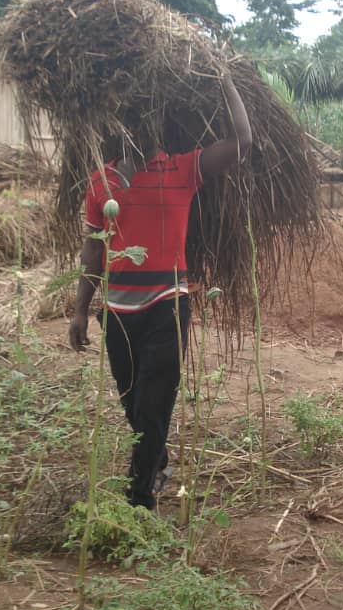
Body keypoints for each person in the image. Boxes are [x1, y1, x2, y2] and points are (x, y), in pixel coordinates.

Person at [68, 72, 251, 510]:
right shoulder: (101, 181)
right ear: (120, 125)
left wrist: (224, 78)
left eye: (148, 118)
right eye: (132, 118)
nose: (140, 126)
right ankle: (158, 462)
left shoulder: (182, 169)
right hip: (116, 313)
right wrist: (79, 310)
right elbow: (93, 250)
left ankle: (139, 500)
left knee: (153, 405)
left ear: (160, 124)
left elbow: (241, 141)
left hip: (166, 307)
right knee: (133, 404)